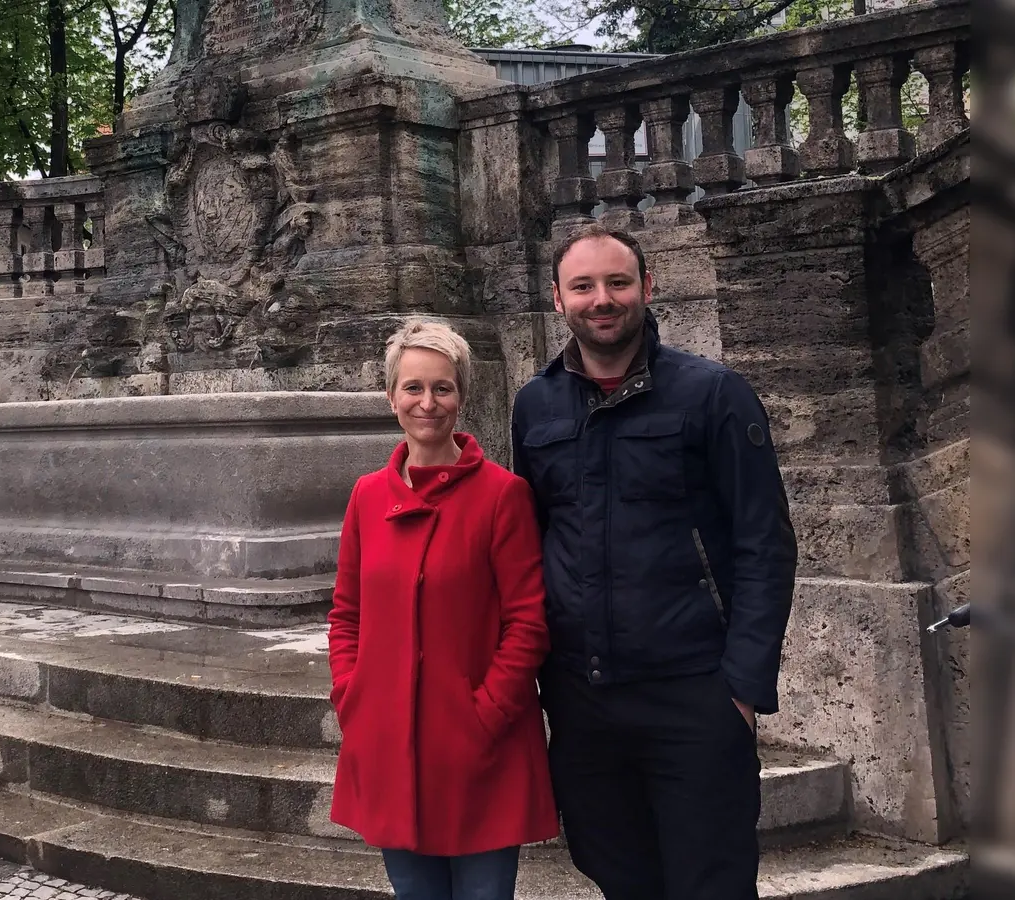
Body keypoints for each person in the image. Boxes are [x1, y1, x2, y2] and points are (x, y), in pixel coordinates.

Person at [510, 224, 798, 900]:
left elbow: (765, 542)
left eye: (617, 282)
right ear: (558, 299)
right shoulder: (534, 405)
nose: (601, 299)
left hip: (694, 693)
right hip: (584, 703)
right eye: (583, 286)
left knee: (711, 883)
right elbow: (535, 538)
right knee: (618, 876)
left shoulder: (713, 395)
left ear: (648, 287)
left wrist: (742, 687)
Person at [327, 319, 560, 900]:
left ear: (461, 395)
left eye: (442, 388)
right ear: (391, 397)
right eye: (413, 388)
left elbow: (528, 622)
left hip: (479, 748)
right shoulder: (366, 496)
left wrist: (485, 712)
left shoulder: (502, 496)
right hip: (387, 742)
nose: (427, 403)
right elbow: (346, 612)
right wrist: (351, 693)